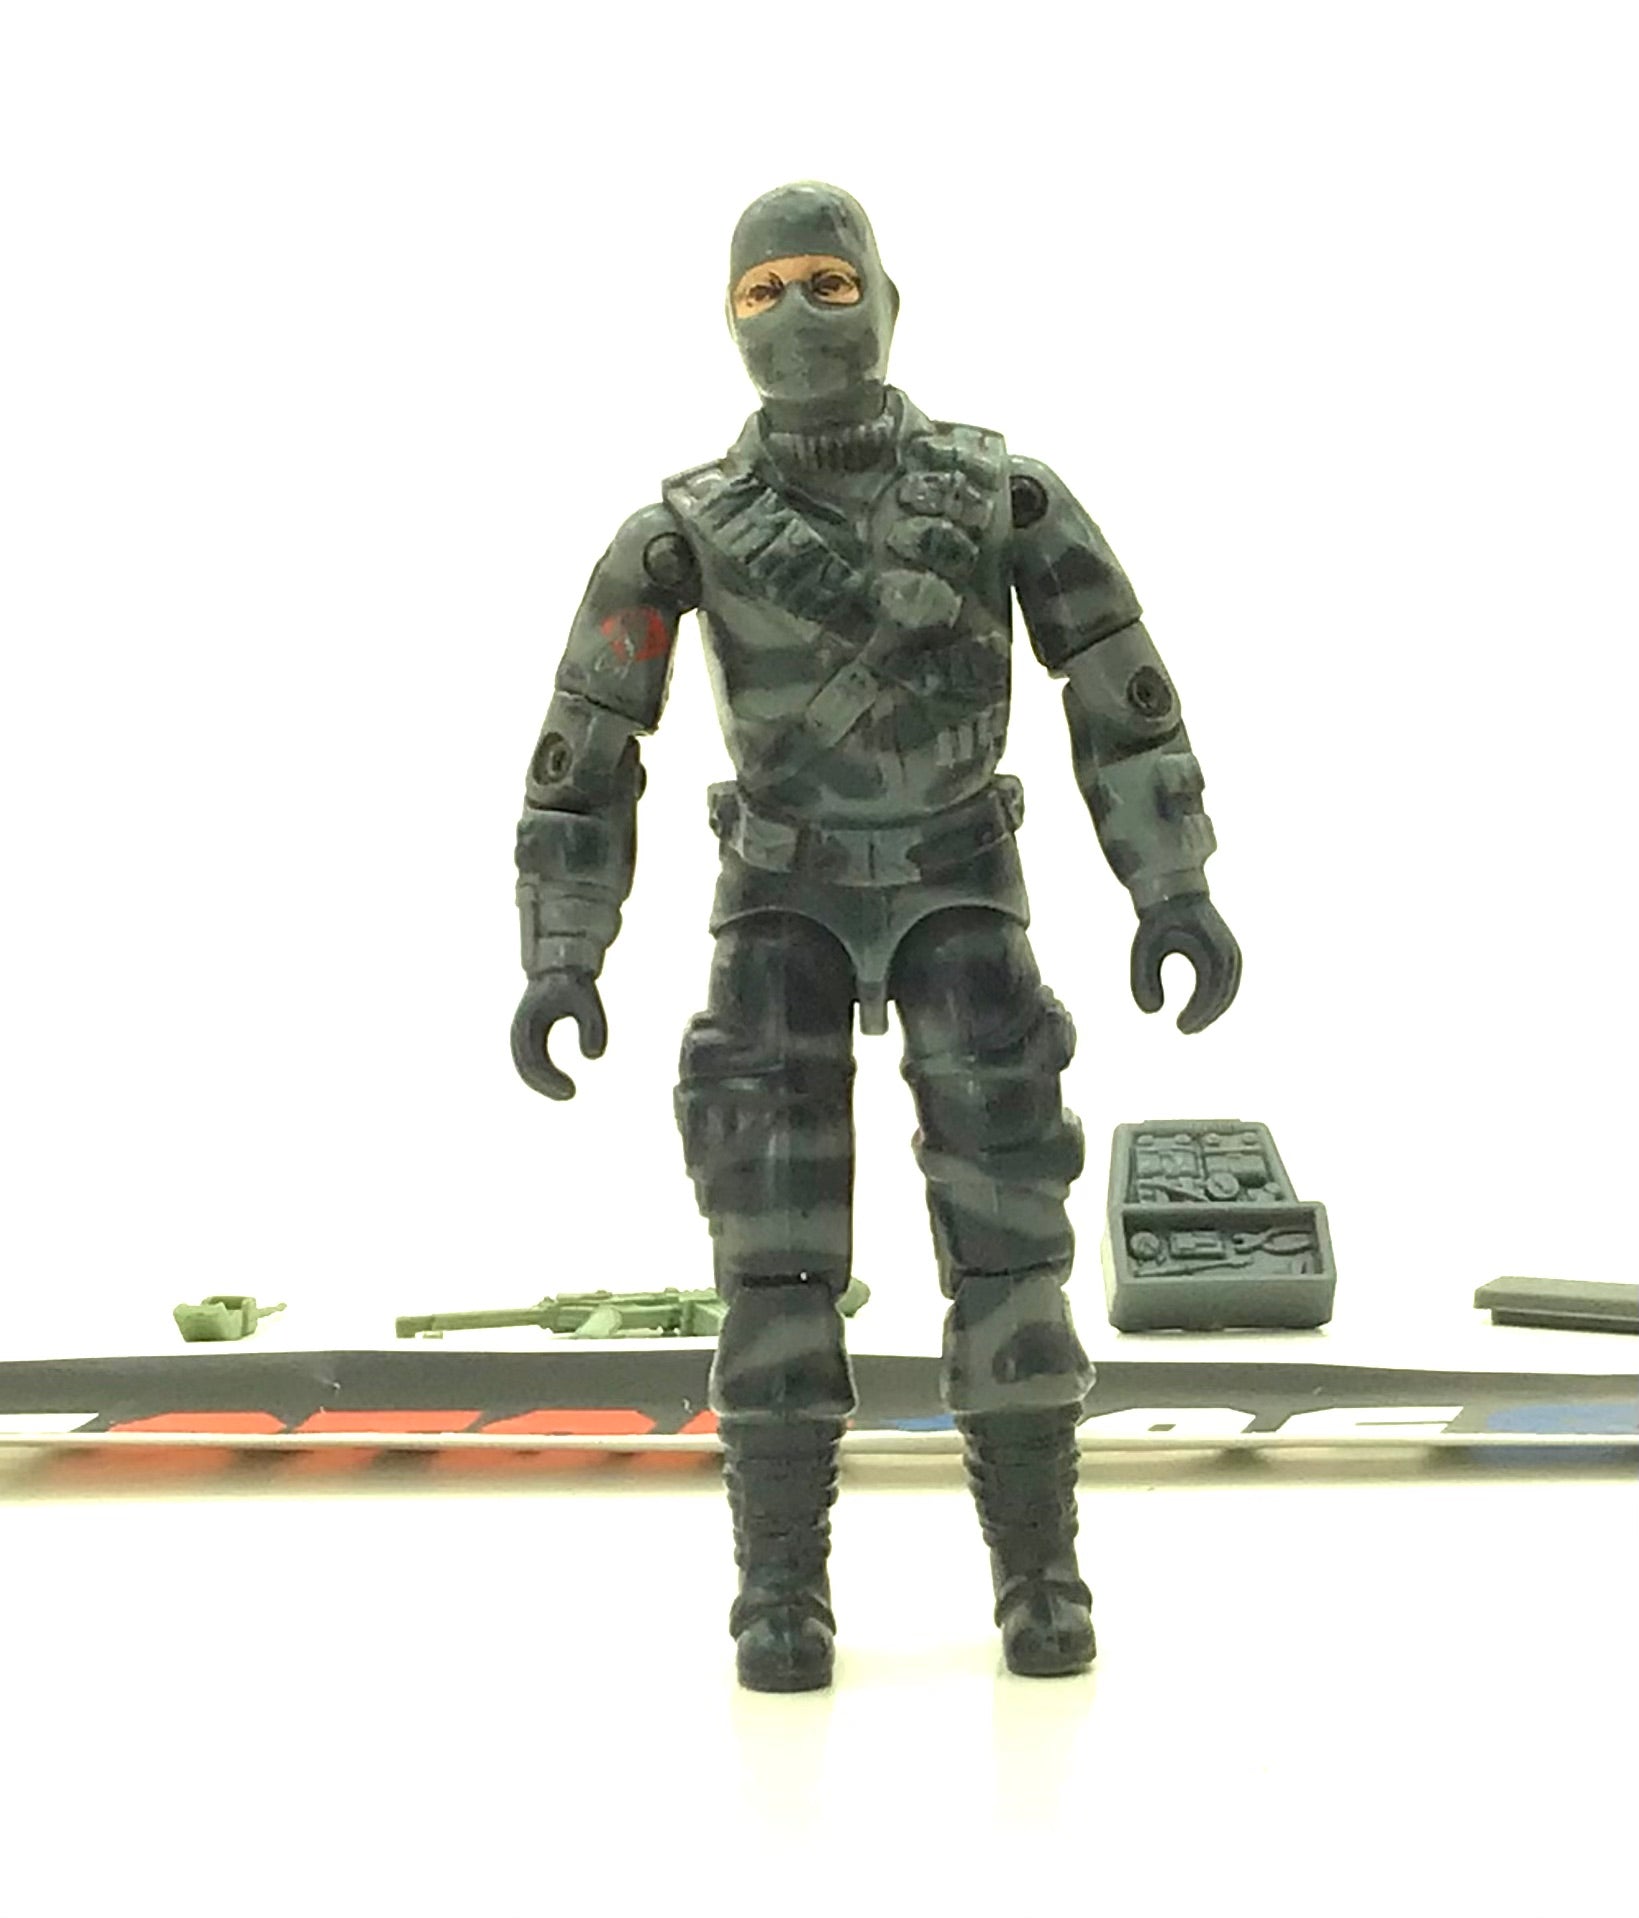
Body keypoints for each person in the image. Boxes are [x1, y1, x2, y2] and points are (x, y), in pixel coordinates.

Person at [511, 182, 1241, 1691]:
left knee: (1010, 1246)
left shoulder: (998, 496)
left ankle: (1038, 1570)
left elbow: (1118, 684)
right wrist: (562, 947)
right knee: (772, 1263)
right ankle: (780, 1587)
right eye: (761, 289)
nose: (794, 313)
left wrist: (1170, 882)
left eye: (827, 285)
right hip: (778, 899)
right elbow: (591, 742)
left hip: (960, 885)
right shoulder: (686, 532)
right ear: (727, 322)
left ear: (889, 303)